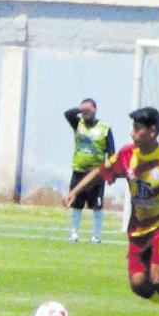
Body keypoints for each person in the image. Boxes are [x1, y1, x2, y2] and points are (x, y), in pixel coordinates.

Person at [63, 107, 159, 316]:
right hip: (138, 230)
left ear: (152, 131)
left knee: (158, 278)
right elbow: (100, 172)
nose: (132, 133)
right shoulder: (127, 155)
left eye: (137, 128)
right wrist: (75, 191)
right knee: (139, 285)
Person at [64, 98, 115, 243]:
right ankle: (74, 234)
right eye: (83, 110)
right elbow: (68, 114)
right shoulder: (78, 123)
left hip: (96, 174)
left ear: (95, 110)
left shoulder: (104, 128)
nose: (85, 113)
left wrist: (110, 172)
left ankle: (96, 236)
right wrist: (81, 109)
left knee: (97, 206)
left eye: (88, 109)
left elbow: (111, 152)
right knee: (76, 204)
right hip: (79, 170)